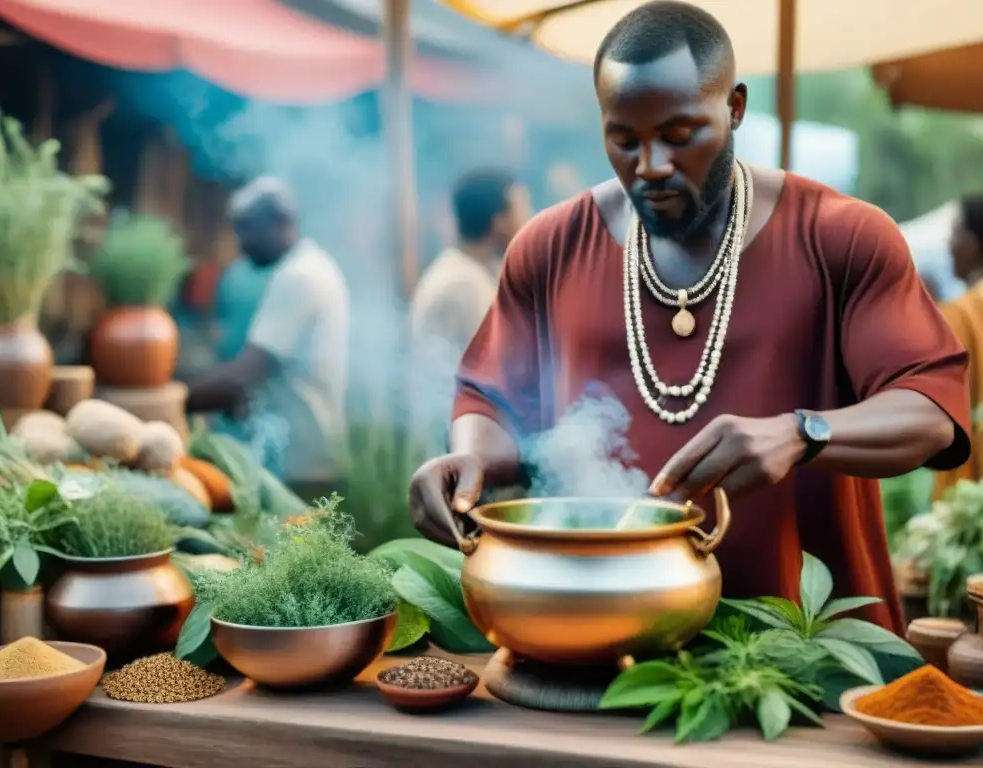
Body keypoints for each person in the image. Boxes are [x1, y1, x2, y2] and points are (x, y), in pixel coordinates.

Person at [407, 1, 969, 634]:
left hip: (805, 652)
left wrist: (802, 433)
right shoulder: (549, 246)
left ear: (733, 108)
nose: (649, 167)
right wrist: (471, 459)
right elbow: (491, 401)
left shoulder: (841, 236)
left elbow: (931, 413)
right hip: (594, 633)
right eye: (624, 139)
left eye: (679, 136)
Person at [186, 177, 350, 500]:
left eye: (247, 229)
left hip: (303, 463)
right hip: (297, 455)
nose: (240, 242)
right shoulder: (306, 266)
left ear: (281, 222)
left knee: (299, 545)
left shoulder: (300, 276)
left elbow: (246, 373)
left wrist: (175, 398)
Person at [409, 169, 531, 452]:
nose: (530, 219)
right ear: (499, 222)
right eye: (523, 209)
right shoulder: (463, 284)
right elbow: (499, 376)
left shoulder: (472, 273)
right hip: (456, 449)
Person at [932, 194, 983, 498]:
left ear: (973, 242)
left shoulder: (960, 314)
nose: (948, 245)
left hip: (967, 483)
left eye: (954, 233)